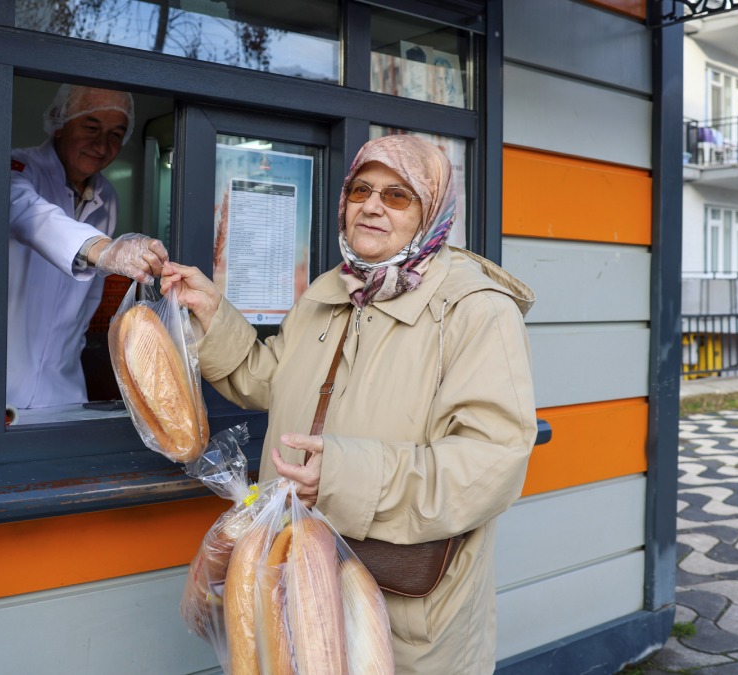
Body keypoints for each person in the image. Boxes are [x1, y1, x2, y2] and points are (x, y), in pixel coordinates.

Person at [162, 134, 536, 673]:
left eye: (398, 195)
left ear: (432, 210)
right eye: (361, 190)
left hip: (401, 619)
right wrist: (213, 314)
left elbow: (491, 462)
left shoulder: (477, 311)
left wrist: (343, 476)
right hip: (294, 587)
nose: (373, 205)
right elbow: (267, 381)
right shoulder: (330, 290)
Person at [7, 84, 168, 409]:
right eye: (91, 127)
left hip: (63, 388)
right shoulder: (17, 168)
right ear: (59, 123)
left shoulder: (106, 196)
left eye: (115, 134)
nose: (101, 144)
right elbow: (27, 213)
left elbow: (88, 301)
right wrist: (105, 250)